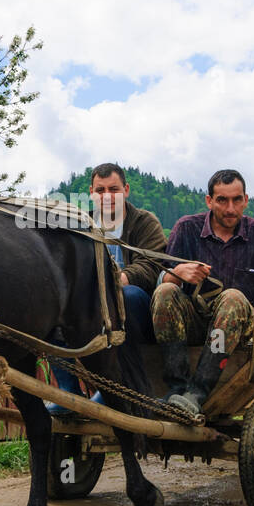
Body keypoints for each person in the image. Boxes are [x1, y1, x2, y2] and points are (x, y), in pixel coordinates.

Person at [152, 168, 254, 415]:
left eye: (237, 200)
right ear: (209, 201)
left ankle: (197, 391)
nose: (230, 208)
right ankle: (176, 386)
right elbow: (163, 279)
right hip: (195, 320)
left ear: (246, 200)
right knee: (164, 292)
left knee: (233, 297)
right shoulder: (186, 228)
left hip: (238, 325)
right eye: (222, 200)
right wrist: (179, 272)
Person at [45, 163, 166, 414]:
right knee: (52, 311)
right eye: (101, 190)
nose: (107, 196)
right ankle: (69, 392)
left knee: (127, 297)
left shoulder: (144, 222)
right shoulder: (80, 224)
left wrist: (116, 280)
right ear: (91, 192)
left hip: (136, 308)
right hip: (90, 305)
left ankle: (110, 389)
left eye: (114, 189)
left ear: (126, 190)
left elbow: (152, 265)